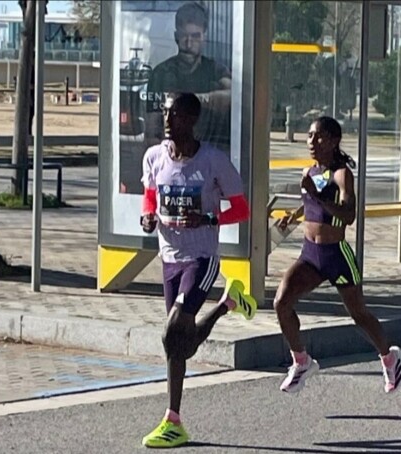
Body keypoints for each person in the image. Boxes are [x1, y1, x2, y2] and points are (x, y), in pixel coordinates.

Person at [140, 92, 257, 448]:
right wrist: (147, 216)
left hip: (202, 258)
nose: (167, 119)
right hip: (169, 258)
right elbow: (150, 196)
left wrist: (207, 218)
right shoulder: (154, 156)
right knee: (180, 344)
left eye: (175, 113)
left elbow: (242, 209)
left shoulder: (212, 161)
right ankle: (228, 303)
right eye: (165, 112)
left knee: (171, 333)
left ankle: (170, 418)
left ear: (191, 119)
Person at [274, 116, 401, 394]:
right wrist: (294, 216)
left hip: (336, 255)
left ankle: (389, 358)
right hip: (310, 255)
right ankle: (301, 361)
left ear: (334, 141)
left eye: (319, 136)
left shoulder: (342, 174)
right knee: (281, 303)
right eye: (310, 135)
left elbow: (348, 215)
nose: (312, 141)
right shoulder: (309, 172)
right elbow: (310, 202)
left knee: (358, 314)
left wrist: (318, 196)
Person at [144, 1, 231, 150]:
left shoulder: (215, 71)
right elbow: (152, 133)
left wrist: (195, 100)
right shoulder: (161, 74)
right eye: (184, 36)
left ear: (204, 37)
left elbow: (233, 96)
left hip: (208, 155)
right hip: (171, 155)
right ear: (176, 36)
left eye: (195, 36)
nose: (189, 44)